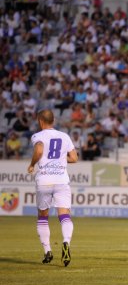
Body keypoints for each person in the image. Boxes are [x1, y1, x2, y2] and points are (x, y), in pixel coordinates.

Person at [28, 110, 78, 266]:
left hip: (44, 181)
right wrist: (60, 161)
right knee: (64, 215)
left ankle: (47, 251)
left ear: (40, 121)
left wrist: (32, 164)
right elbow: (74, 158)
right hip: (61, 180)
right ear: (53, 120)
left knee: (43, 216)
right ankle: (66, 243)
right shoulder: (65, 136)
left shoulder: (38, 136)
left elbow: (39, 150)